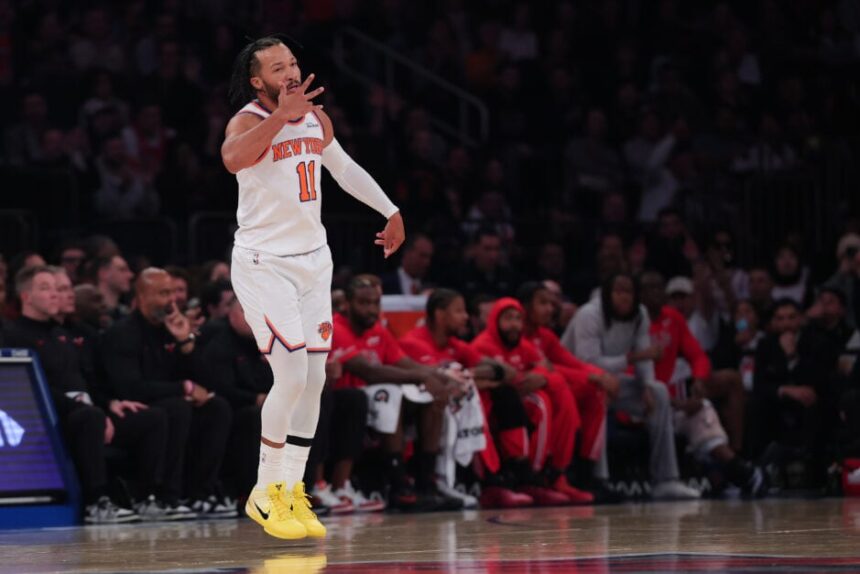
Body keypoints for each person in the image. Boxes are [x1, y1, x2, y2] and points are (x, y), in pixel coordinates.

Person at [221, 36, 405, 540]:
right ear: (258, 80)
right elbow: (233, 160)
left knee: (316, 378)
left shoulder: (316, 119)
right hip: (265, 263)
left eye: (294, 63)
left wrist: (389, 210)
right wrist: (280, 116)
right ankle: (264, 492)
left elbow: (342, 169)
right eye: (277, 67)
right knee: (292, 375)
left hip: (313, 261)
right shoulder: (249, 119)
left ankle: (291, 489)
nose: (289, 71)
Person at [5, 266, 171, 523]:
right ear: (26, 296)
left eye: (55, 288)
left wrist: (110, 404)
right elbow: (32, 388)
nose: (54, 295)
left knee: (153, 417)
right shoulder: (13, 335)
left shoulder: (62, 335)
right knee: (90, 417)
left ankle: (146, 497)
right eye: (45, 288)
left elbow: (87, 381)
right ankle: (97, 502)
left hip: (90, 412)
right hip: (50, 419)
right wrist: (84, 409)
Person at [562, 272, 700, 500]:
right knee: (599, 391)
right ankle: (600, 480)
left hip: (612, 380)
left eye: (629, 292)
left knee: (659, 392)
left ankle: (665, 479)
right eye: (618, 291)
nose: (624, 297)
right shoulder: (589, 314)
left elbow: (644, 357)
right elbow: (587, 362)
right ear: (608, 293)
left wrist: (645, 384)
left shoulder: (640, 314)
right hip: (577, 381)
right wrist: (631, 359)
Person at [398, 288, 533, 509]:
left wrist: (469, 374)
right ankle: (474, 482)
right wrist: (467, 378)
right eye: (459, 311)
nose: (466, 317)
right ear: (440, 315)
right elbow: (440, 382)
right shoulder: (413, 343)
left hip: (452, 409)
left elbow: (504, 371)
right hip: (418, 416)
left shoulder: (455, 345)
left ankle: (508, 478)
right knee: (470, 400)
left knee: (496, 396)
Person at [471, 297, 593, 504]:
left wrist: (543, 377)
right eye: (508, 318)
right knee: (541, 403)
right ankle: (532, 476)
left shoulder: (525, 346)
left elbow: (549, 371)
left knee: (553, 395)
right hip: (491, 407)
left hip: (515, 403)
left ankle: (549, 474)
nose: (514, 325)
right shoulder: (482, 345)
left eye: (518, 319)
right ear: (494, 321)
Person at [517, 282, 616, 497]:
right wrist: (590, 376)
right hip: (527, 393)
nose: (550, 309)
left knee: (595, 392)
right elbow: (547, 368)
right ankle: (542, 475)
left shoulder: (546, 336)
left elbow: (570, 362)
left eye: (551, 304)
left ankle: (585, 473)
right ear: (525, 307)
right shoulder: (517, 334)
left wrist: (601, 375)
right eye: (542, 303)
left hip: (550, 387)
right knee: (555, 395)